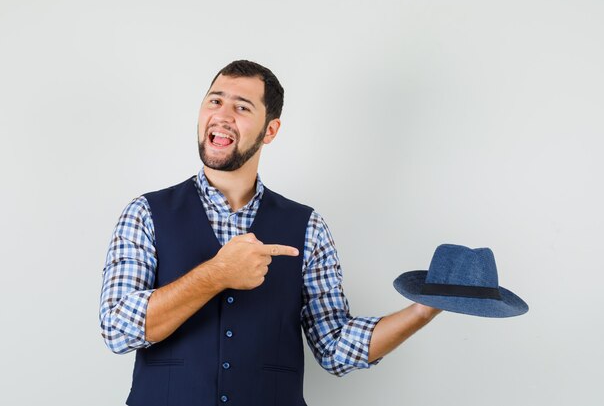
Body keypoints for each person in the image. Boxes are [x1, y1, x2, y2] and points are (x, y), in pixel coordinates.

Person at [99, 59, 441, 406]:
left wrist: (422, 311)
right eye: (215, 101)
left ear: (270, 131)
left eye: (242, 107)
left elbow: (335, 347)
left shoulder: (308, 227)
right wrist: (217, 274)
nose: (222, 114)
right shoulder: (145, 214)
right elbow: (117, 330)